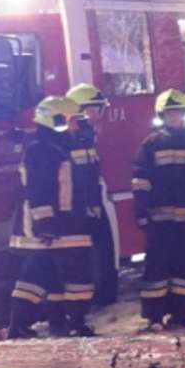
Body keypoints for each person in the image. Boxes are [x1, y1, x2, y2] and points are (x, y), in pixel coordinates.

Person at [6, 96, 97, 338]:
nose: (79, 126)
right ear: (57, 121)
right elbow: (38, 190)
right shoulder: (42, 150)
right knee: (42, 276)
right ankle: (22, 325)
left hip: (65, 225)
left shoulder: (57, 147)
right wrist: (46, 223)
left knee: (55, 278)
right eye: (74, 121)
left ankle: (63, 323)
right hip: (47, 227)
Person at [133, 88, 185, 329]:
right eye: (170, 114)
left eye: (178, 113)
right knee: (156, 269)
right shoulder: (150, 144)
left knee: (184, 269)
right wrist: (141, 213)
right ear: (162, 115)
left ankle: (180, 315)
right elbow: (140, 182)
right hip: (159, 221)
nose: (175, 118)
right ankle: (154, 317)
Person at [61, 82, 119, 308]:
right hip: (79, 208)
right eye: (96, 109)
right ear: (81, 110)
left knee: (101, 253)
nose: (99, 115)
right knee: (84, 258)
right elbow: (78, 176)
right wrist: (87, 206)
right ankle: (88, 303)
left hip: (91, 204)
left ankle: (102, 296)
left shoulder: (85, 136)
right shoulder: (71, 137)